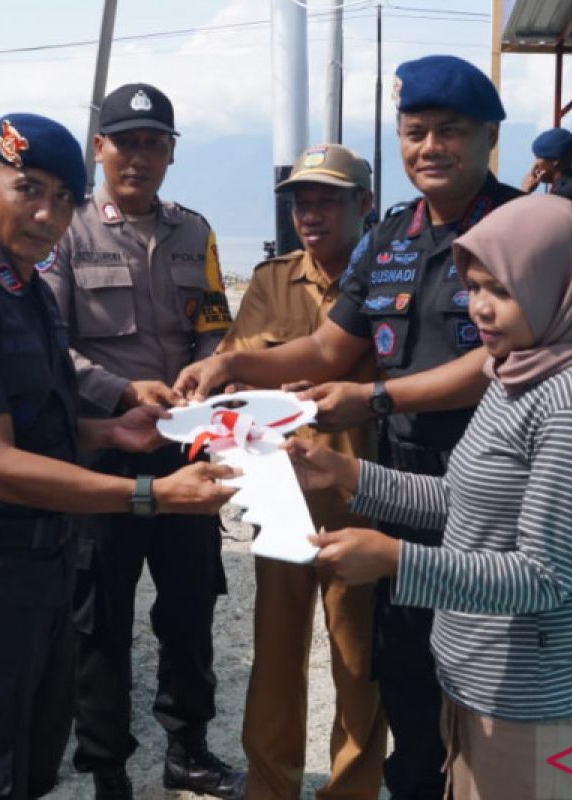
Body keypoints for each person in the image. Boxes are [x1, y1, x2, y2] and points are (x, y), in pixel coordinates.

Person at [175, 53, 523, 800]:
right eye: (416, 131)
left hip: (487, 489)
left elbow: (510, 358)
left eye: (449, 131)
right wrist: (233, 368)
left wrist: (377, 400)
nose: (430, 147)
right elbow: (332, 348)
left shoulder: (525, 227)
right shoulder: (391, 239)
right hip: (397, 486)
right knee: (399, 669)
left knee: (480, 673)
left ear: (489, 135)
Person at [0, 112, 238, 799]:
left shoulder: (26, 298)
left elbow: (42, 424)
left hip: (45, 559)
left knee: (33, 766)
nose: (46, 212)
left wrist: (115, 434)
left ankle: (180, 744)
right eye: (28, 189)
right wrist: (151, 494)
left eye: (62, 197)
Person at [289, 195, 572, 800]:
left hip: (533, 705)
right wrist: (344, 474)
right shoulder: (519, 371)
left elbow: (541, 576)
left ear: (559, 284)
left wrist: (397, 559)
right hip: (480, 683)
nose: (481, 308)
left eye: (501, 291)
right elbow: (464, 499)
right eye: (473, 287)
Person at [42, 83, 241, 800]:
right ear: (99, 148)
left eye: (154, 142)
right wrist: (122, 392)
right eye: (125, 141)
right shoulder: (66, 235)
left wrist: (205, 371)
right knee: (98, 621)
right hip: (101, 456)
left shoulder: (197, 232)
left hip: (184, 453)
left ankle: (187, 749)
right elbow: (50, 347)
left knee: (190, 608)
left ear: (171, 153)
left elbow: (215, 324)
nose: (139, 156)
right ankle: (108, 770)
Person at [218, 143, 387, 800]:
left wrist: (290, 374)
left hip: (362, 493)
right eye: (301, 201)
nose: (310, 213)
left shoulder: (390, 280)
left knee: (359, 665)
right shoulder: (272, 280)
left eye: (327, 199)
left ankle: (352, 790)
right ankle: (271, 787)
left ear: (364, 205)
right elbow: (241, 366)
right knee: (276, 660)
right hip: (282, 496)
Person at [520, 127, 572, 231]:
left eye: (538, 157)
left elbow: (538, 232)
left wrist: (523, 192)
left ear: (555, 161)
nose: (535, 164)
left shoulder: (562, 195)